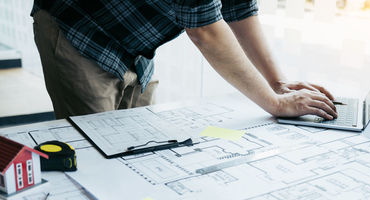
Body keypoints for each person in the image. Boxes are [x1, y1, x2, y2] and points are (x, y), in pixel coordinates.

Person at [31, 0, 338, 120]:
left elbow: (240, 9)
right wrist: (275, 104)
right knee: (95, 156)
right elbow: (204, 31)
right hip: (79, 28)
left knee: (135, 148)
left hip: (135, 46)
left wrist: (277, 84)